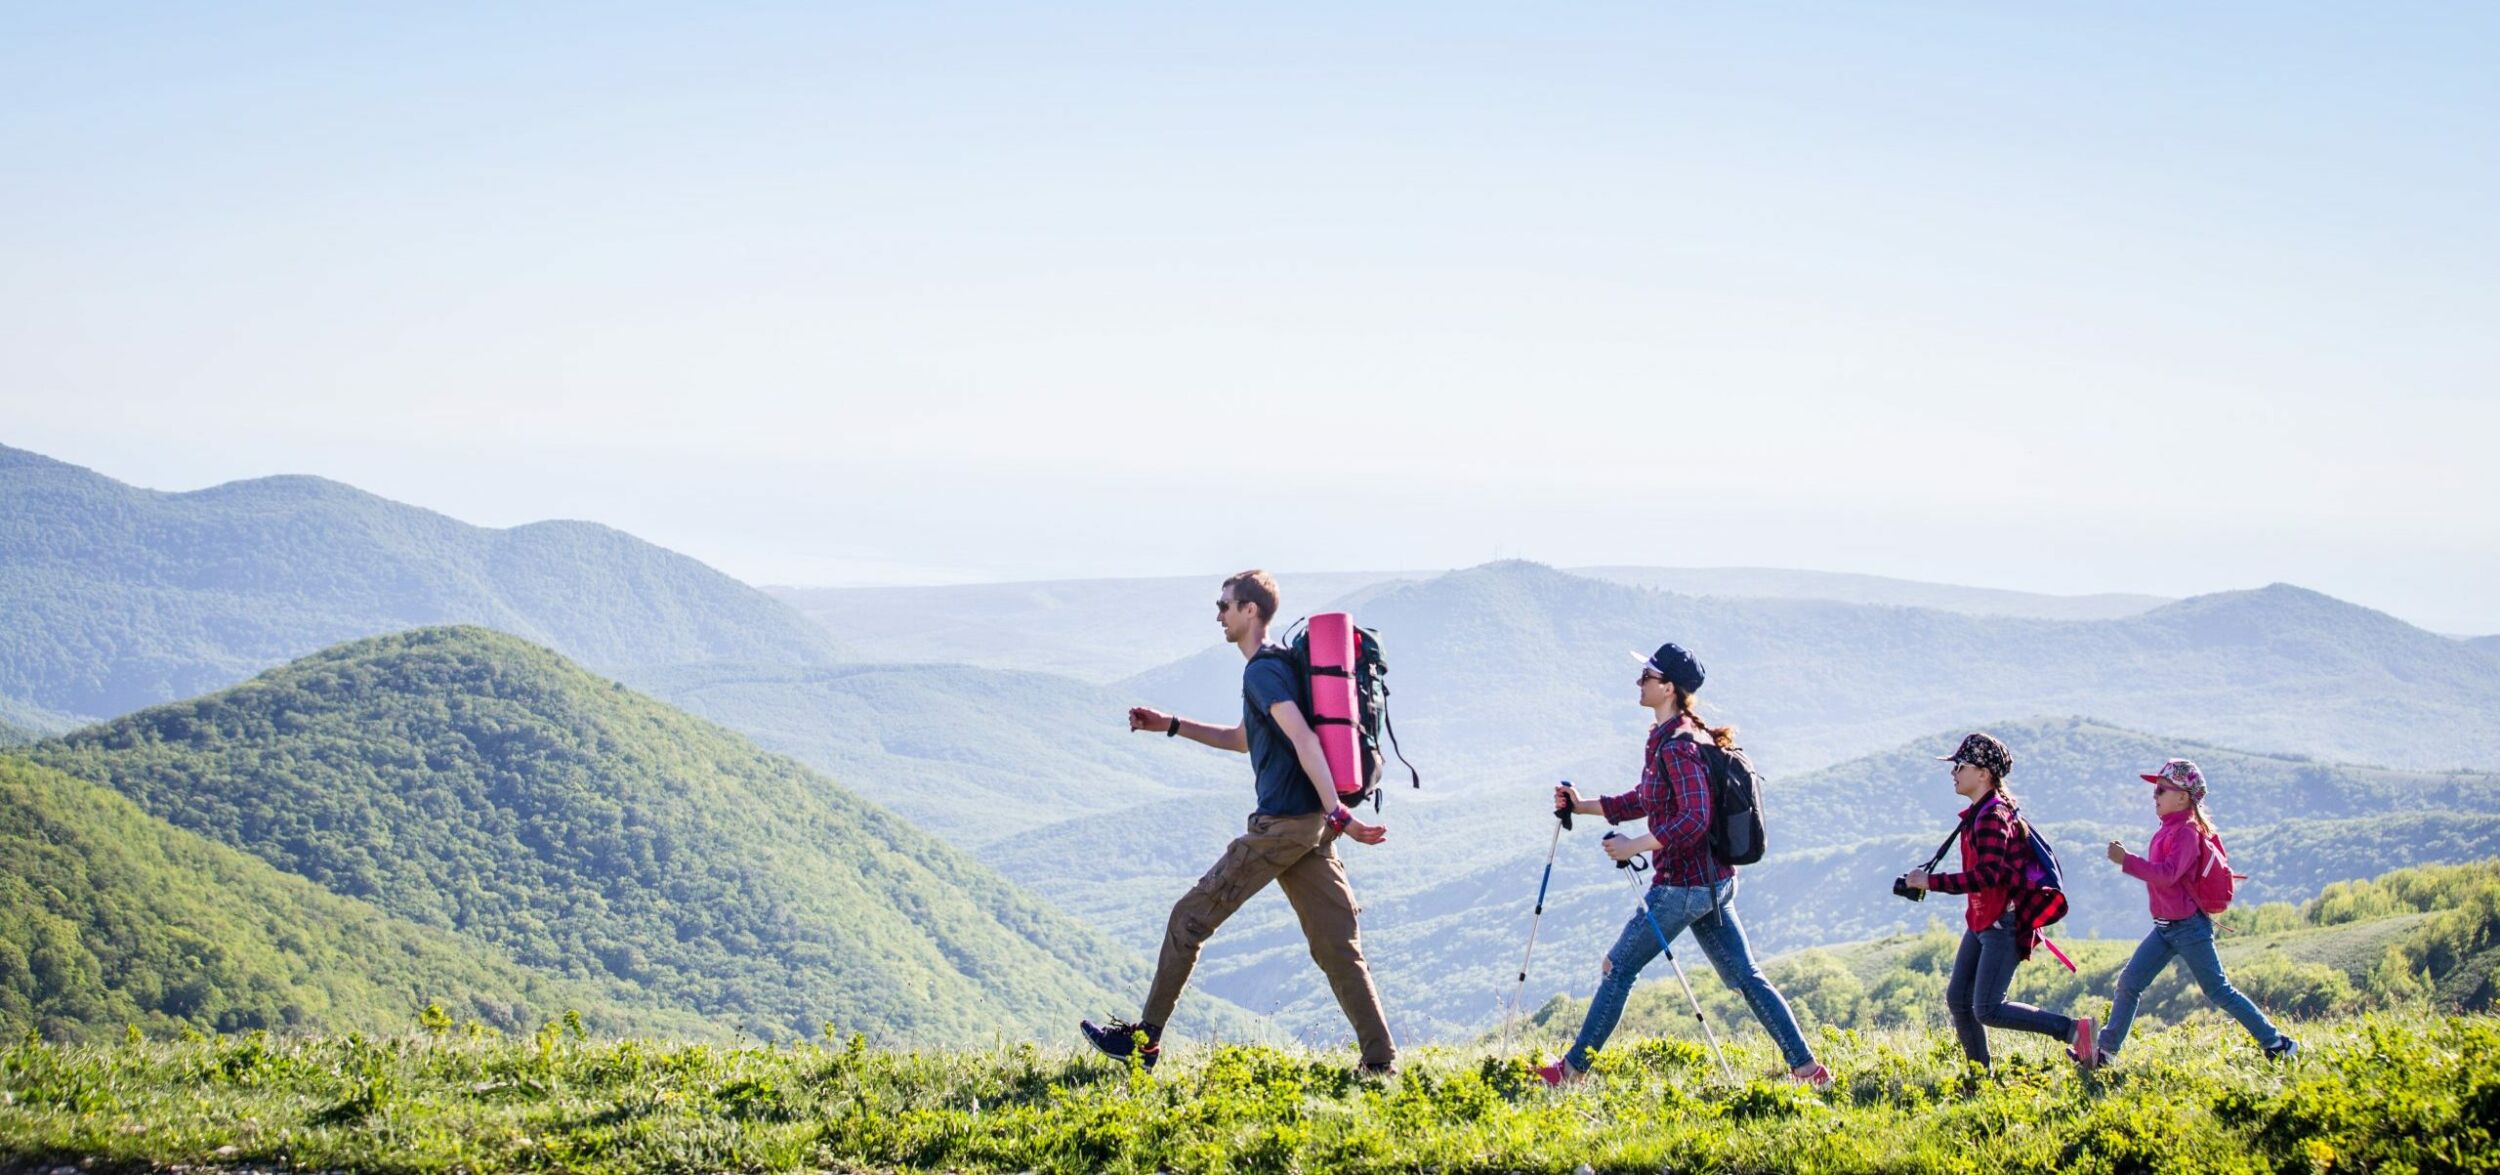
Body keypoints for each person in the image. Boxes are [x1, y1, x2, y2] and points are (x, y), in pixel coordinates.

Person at [1079, 569, 1396, 1074]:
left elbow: (1305, 741)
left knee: (1188, 919)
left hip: (1284, 828)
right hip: (1310, 829)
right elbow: (1243, 738)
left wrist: (1342, 813)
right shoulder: (1276, 669)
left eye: (1226, 605)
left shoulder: (1262, 672)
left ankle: (1145, 1043)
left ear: (1251, 611)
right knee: (1338, 947)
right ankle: (1381, 1062)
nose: (1219, 614)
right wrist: (1172, 725)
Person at [1538, 642, 1831, 1090]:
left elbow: (1694, 820)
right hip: (1713, 883)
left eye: (1647, 678)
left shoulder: (1677, 746)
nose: (1639, 683)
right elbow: (1647, 798)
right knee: (1746, 978)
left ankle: (1571, 1072)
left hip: (1682, 887)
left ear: (1669, 688)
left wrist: (1633, 843)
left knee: (1618, 968)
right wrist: (1583, 807)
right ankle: (1810, 1071)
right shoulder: (1680, 735)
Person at [1904, 732, 2099, 1071]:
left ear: (1984, 774)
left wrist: (1930, 882)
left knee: (1988, 1008)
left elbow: (1989, 875)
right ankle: (1980, 1074)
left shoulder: (1993, 817)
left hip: (2002, 923)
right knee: (1958, 999)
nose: (1954, 773)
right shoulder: (1981, 813)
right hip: (1983, 921)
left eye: (1960, 766)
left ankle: (2074, 1030)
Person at [2092, 758, 2300, 1064]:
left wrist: (2126, 860)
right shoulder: (2170, 828)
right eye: (2156, 790)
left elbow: (2168, 874)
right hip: (2165, 927)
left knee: (2218, 990)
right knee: (2129, 982)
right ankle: (2106, 1052)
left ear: (2183, 796)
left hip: (2188, 927)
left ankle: (2277, 1043)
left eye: (2162, 790)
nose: (2155, 796)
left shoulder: (2187, 831)